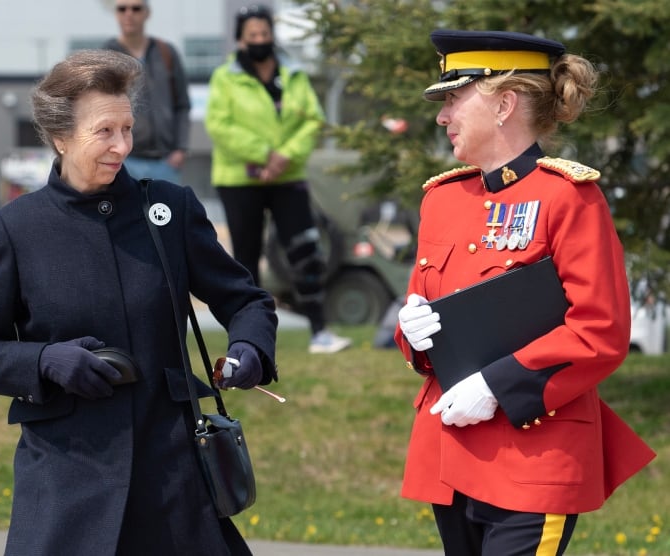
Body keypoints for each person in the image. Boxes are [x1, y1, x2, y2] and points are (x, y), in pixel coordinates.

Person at [0, 49, 277, 556]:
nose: (122, 145)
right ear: (60, 137)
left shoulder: (169, 208)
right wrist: (43, 360)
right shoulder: (16, 229)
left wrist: (251, 350)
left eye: (127, 129)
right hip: (65, 480)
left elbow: (247, 302)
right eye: (105, 131)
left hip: (172, 475)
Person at [394, 29, 656, 555]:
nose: (443, 117)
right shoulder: (443, 199)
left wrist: (497, 385)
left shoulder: (569, 198)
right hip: (452, 453)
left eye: (453, 99)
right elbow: (428, 318)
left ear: (504, 104)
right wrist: (414, 334)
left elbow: (600, 331)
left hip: (536, 456)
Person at [204, 4, 351, 354]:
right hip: (239, 179)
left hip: (288, 176)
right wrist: (264, 153)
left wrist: (285, 155)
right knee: (246, 260)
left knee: (306, 250)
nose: (259, 40)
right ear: (241, 40)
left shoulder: (294, 75)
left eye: (264, 34)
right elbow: (219, 126)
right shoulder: (225, 78)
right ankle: (250, 339)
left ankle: (320, 331)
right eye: (252, 35)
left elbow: (311, 120)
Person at [103, 0, 190, 183]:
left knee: (170, 211)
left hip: (166, 162)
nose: (129, 13)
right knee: (126, 212)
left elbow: (182, 105)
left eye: (136, 8)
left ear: (147, 13)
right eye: (122, 9)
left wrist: (180, 149)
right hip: (123, 161)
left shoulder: (166, 52)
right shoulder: (107, 56)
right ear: (116, 14)